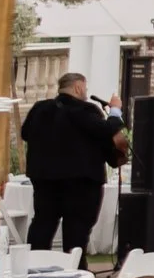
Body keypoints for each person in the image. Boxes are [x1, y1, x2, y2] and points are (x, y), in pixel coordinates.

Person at [18, 72, 124, 258]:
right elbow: (107, 130)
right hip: (81, 183)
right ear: (78, 87)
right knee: (77, 230)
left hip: (44, 179)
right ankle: (75, 272)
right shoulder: (85, 111)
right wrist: (115, 111)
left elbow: (26, 133)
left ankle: (33, 266)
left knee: (43, 224)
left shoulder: (39, 108)